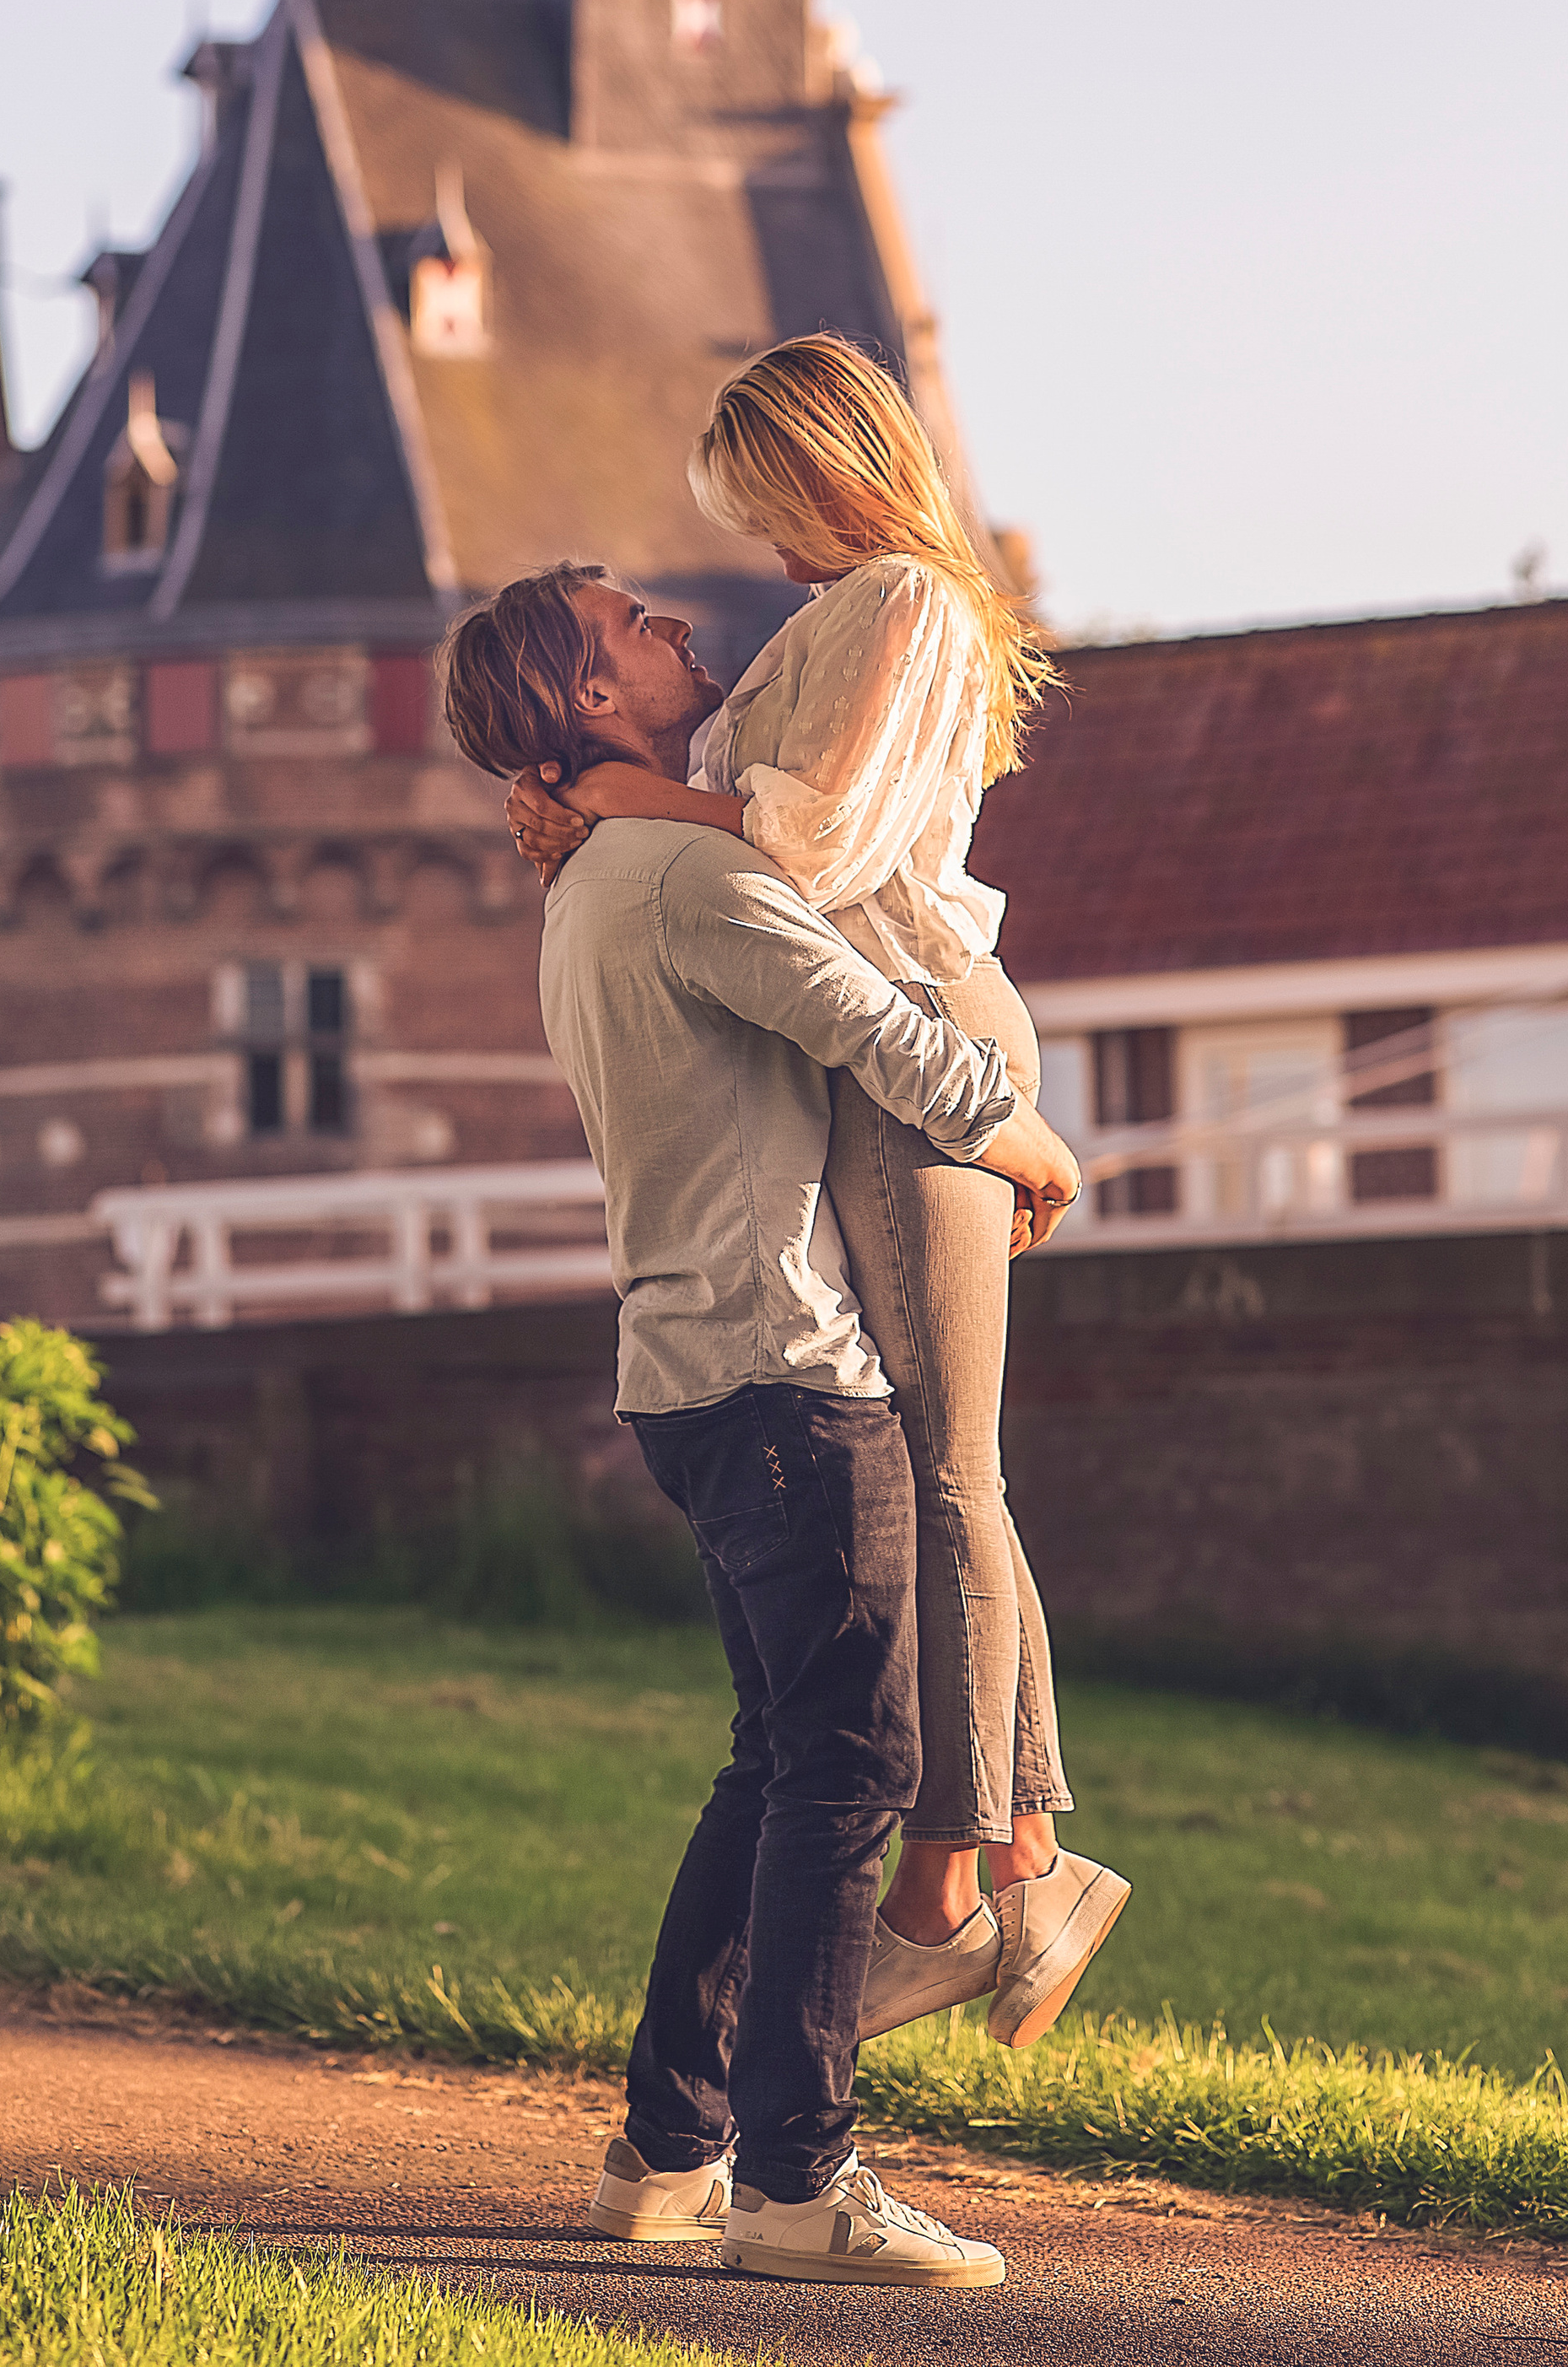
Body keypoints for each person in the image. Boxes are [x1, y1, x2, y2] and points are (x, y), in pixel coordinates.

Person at [443, 566, 1080, 2288]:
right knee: (848, 1775)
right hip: (787, 1377)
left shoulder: (590, 878)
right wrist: (1012, 1130)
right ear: (586, 700)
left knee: (778, 1760)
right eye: (631, 621)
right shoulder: (681, 875)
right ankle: (800, 2185)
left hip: (686, 1373)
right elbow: (862, 1016)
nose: (670, 620)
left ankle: (663, 2153)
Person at [507, 337, 1129, 2052]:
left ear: (821, 470)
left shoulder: (910, 606)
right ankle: (1014, 1868)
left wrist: (613, 792)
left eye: (761, 509)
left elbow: (802, 844)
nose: (757, 552)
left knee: (945, 1459)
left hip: (917, 1030)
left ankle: (972, 1885)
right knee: (926, 1458)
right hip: (859, 1047)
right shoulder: (834, 615)